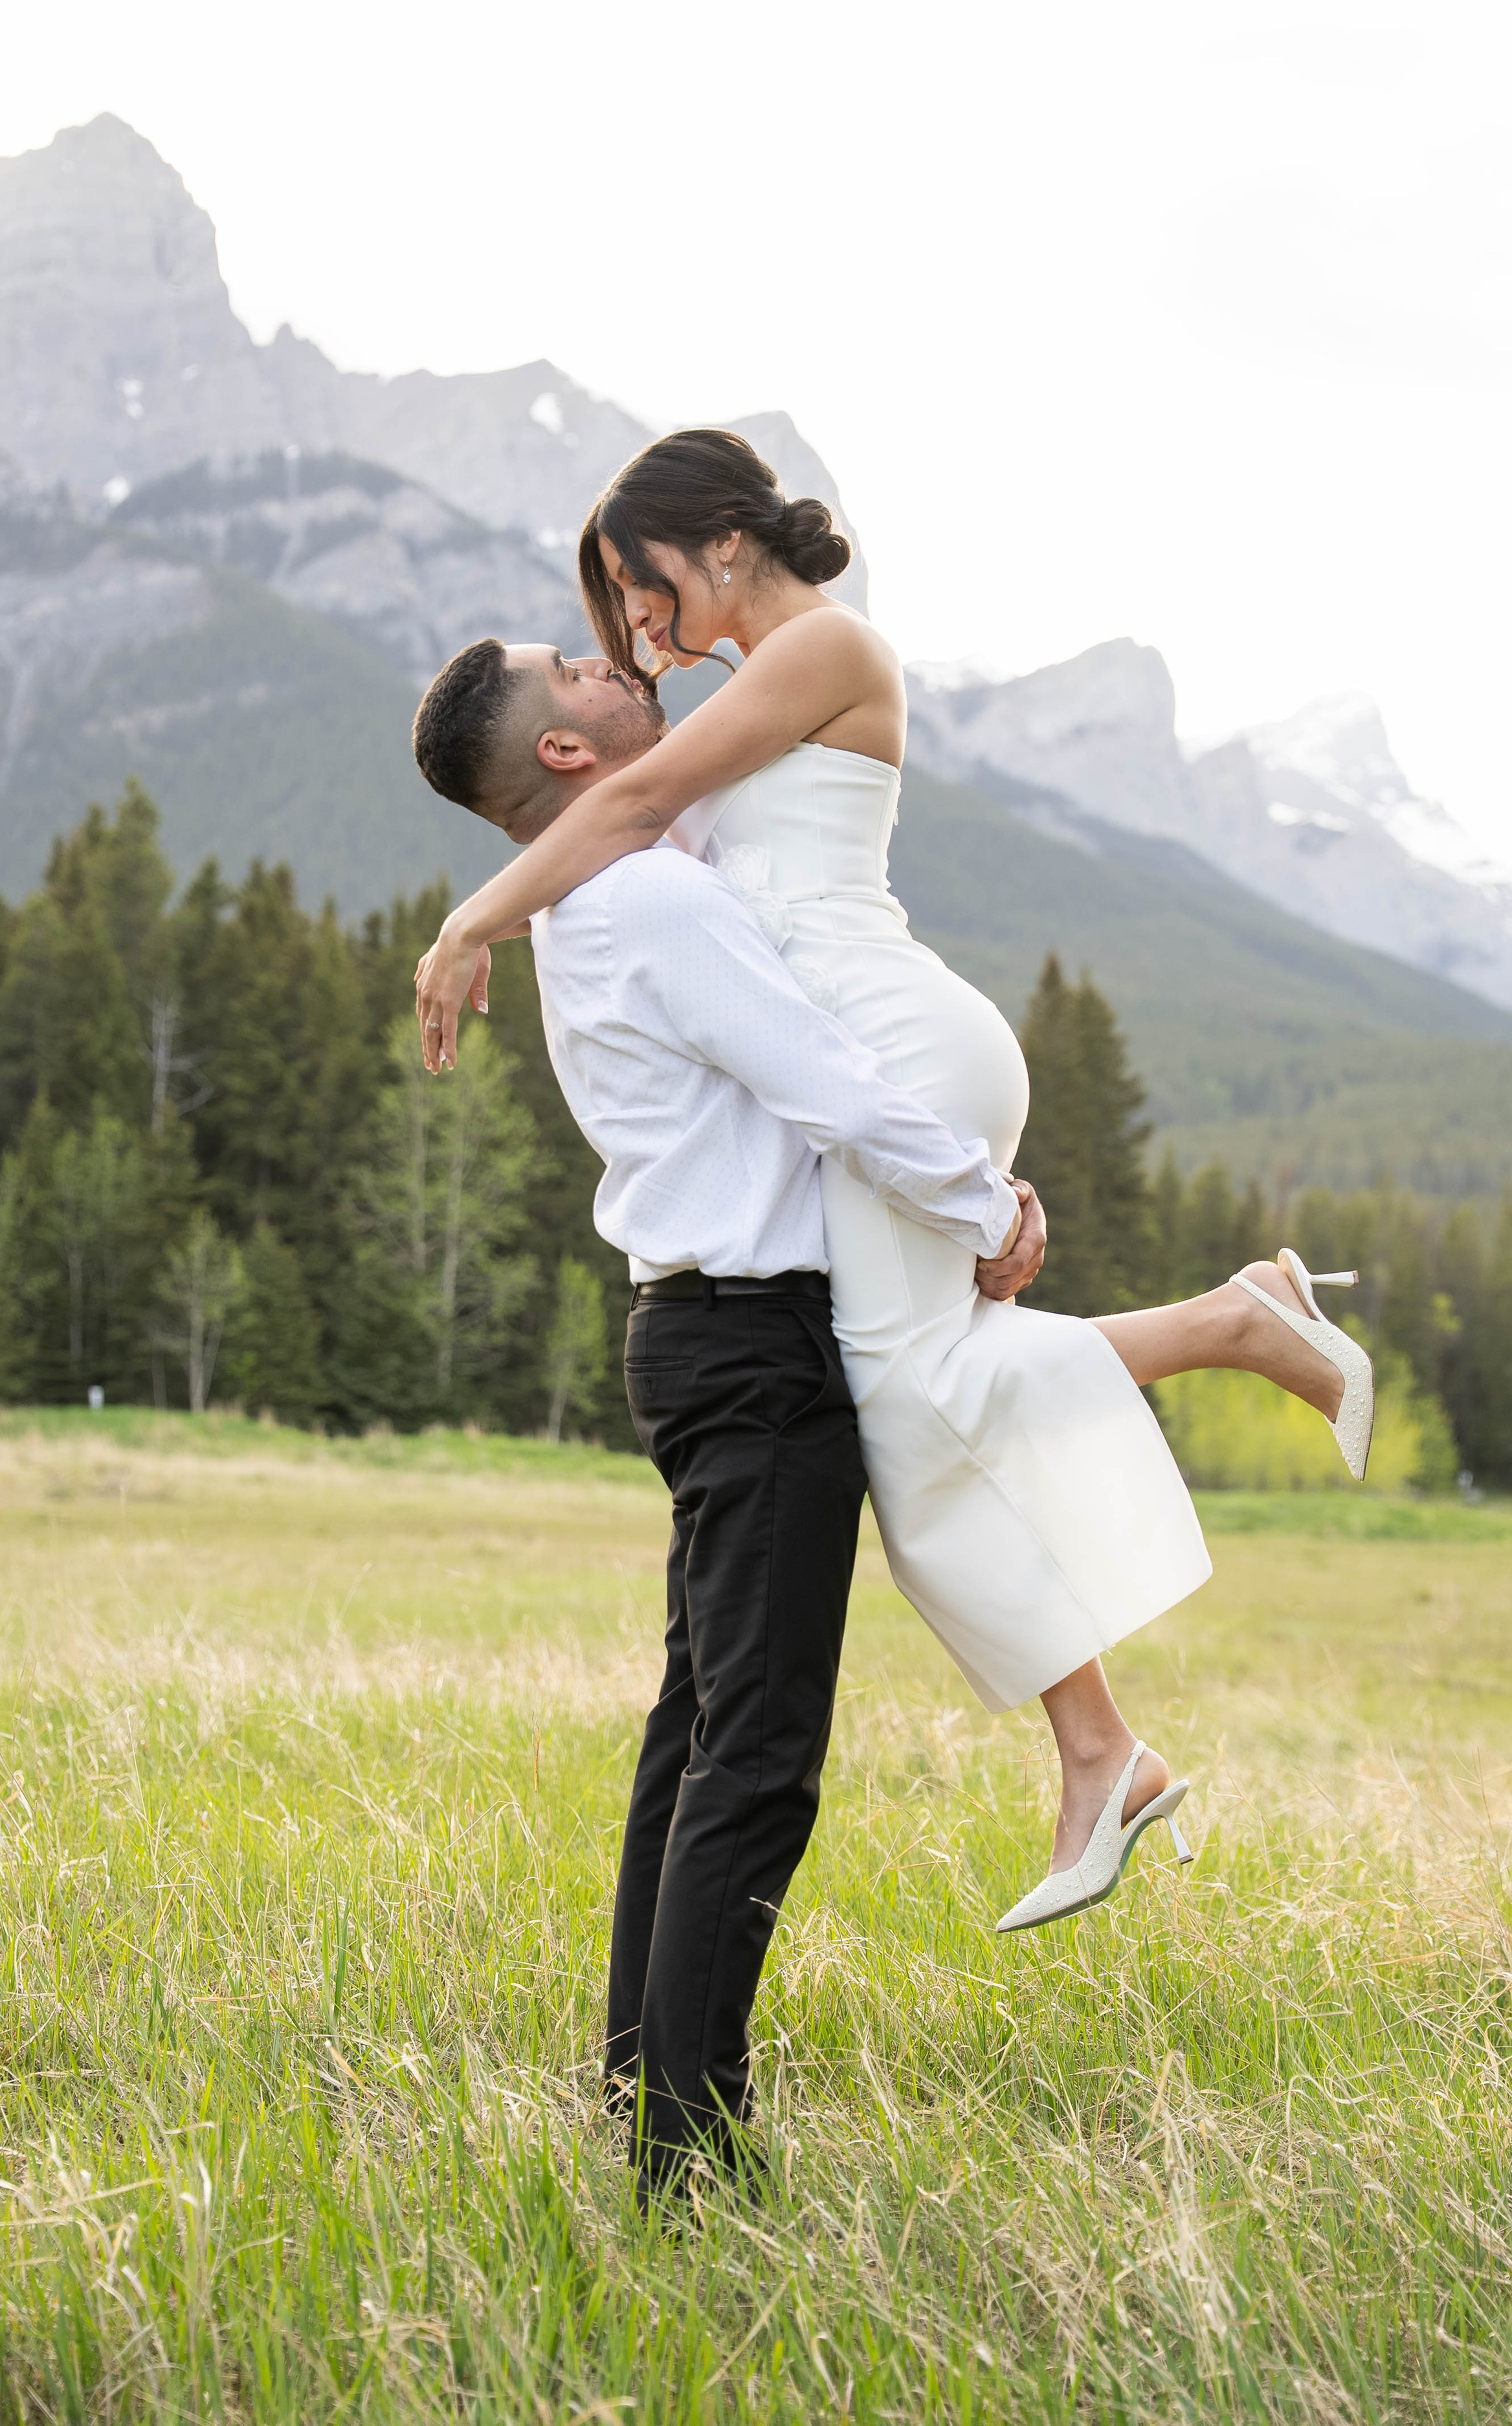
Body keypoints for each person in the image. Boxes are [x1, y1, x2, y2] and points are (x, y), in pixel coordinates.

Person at [411, 430, 1373, 1936]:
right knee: (913, 1407)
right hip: (874, 1052)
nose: (638, 627)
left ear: (718, 541)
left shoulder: (820, 647)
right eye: (610, 608)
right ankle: (1103, 1727)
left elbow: (607, 810)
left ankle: (1220, 1384)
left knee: (912, 1400)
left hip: (886, 1050)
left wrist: (465, 921)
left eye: (639, 583)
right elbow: (618, 834)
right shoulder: (747, 689)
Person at [417, 647, 1042, 2190]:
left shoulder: (601, 893)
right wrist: (983, 1202)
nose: (614, 660)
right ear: (569, 752)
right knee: (755, 1752)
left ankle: (642, 2091)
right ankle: (686, 2152)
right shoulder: (644, 901)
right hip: (751, 1348)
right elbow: (824, 1076)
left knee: (696, 1730)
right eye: (577, 666)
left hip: (700, 1334)